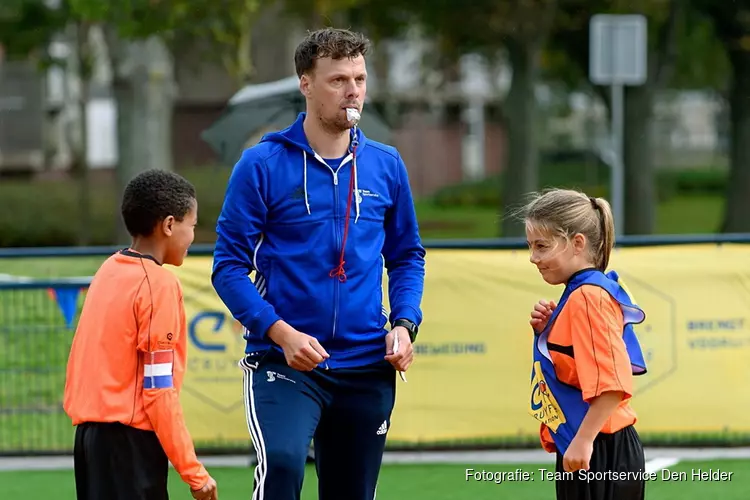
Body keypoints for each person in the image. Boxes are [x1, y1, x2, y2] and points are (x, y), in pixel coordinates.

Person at [211, 27, 426, 500]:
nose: (353, 91)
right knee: (284, 465)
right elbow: (227, 266)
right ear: (305, 84)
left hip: (367, 364)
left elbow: (407, 255)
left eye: (360, 78)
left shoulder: (387, 165)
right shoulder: (261, 164)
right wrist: (279, 332)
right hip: (284, 363)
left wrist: (406, 324)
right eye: (338, 80)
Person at [63, 169, 218, 500]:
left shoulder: (108, 270)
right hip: (129, 446)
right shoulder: (158, 285)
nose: (193, 235)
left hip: (90, 442)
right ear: (168, 225)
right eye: (191, 225)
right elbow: (158, 390)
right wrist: (194, 472)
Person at [522, 188, 648, 500]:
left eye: (542, 246)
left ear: (577, 243)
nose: (533, 257)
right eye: (530, 246)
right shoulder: (581, 292)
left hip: (601, 447)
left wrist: (583, 440)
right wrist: (546, 332)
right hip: (595, 442)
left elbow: (612, 384)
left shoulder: (588, 297)